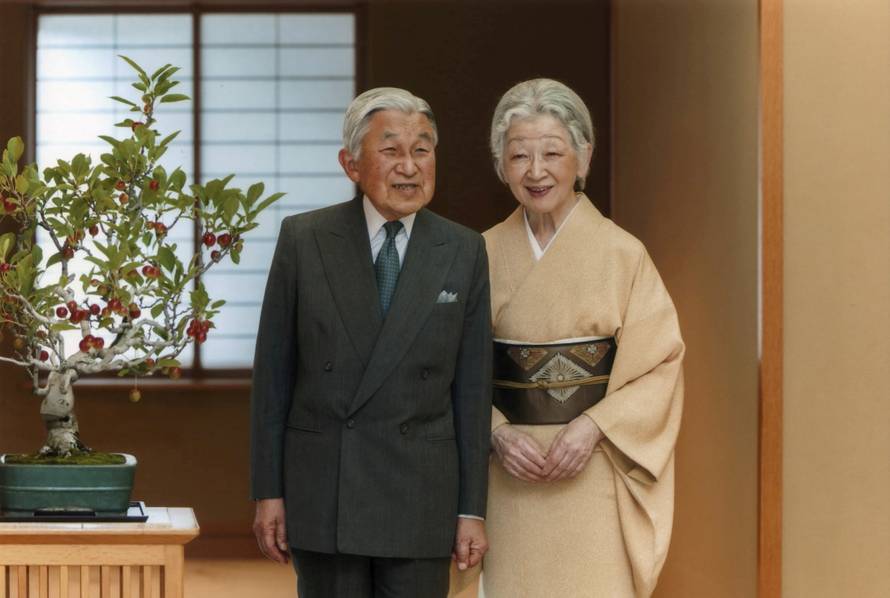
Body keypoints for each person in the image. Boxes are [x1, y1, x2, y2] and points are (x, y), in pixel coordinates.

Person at [250, 87, 492, 598]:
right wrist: (269, 492)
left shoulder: (464, 249)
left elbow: (473, 392)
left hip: (420, 493)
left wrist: (471, 509)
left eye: (422, 150)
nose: (410, 166)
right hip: (327, 489)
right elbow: (273, 379)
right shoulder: (304, 239)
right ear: (351, 163)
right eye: (391, 150)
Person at [481, 79, 684, 597]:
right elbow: (446, 366)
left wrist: (594, 426)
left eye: (553, 152)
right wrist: (496, 431)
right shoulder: (476, 255)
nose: (536, 170)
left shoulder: (623, 255)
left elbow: (660, 364)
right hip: (509, 473)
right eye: (519, 155)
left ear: (584, 156)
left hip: (592, 467)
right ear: (501, 164)